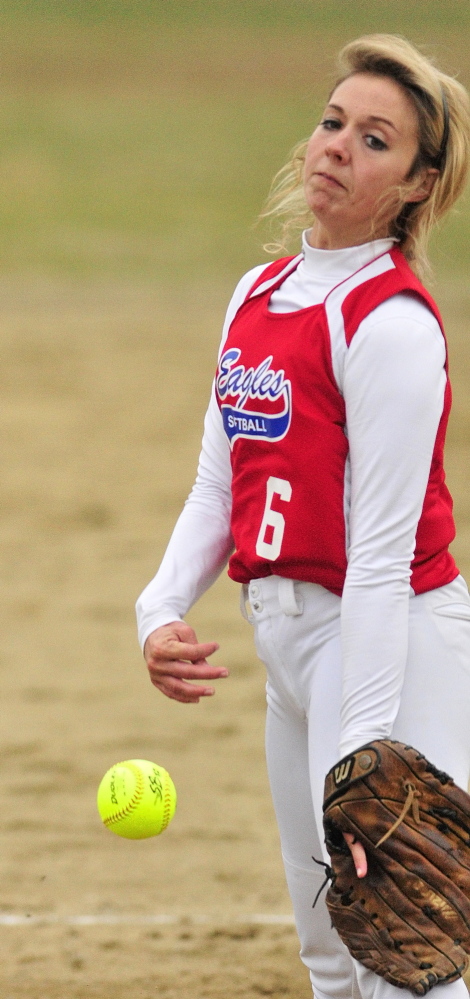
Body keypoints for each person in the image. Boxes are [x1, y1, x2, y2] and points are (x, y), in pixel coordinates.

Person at [136, 33, 470, 999]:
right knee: (329, 951)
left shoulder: (390, 325)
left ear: (416, 186)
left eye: (375, 140)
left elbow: (381, 560)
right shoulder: (259, 293)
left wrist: (363, 755)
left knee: (404, 956)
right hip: (289, 649)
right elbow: (220, 483)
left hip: (388, 646)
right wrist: (159, 607)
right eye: (334, 122)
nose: (337, 147)